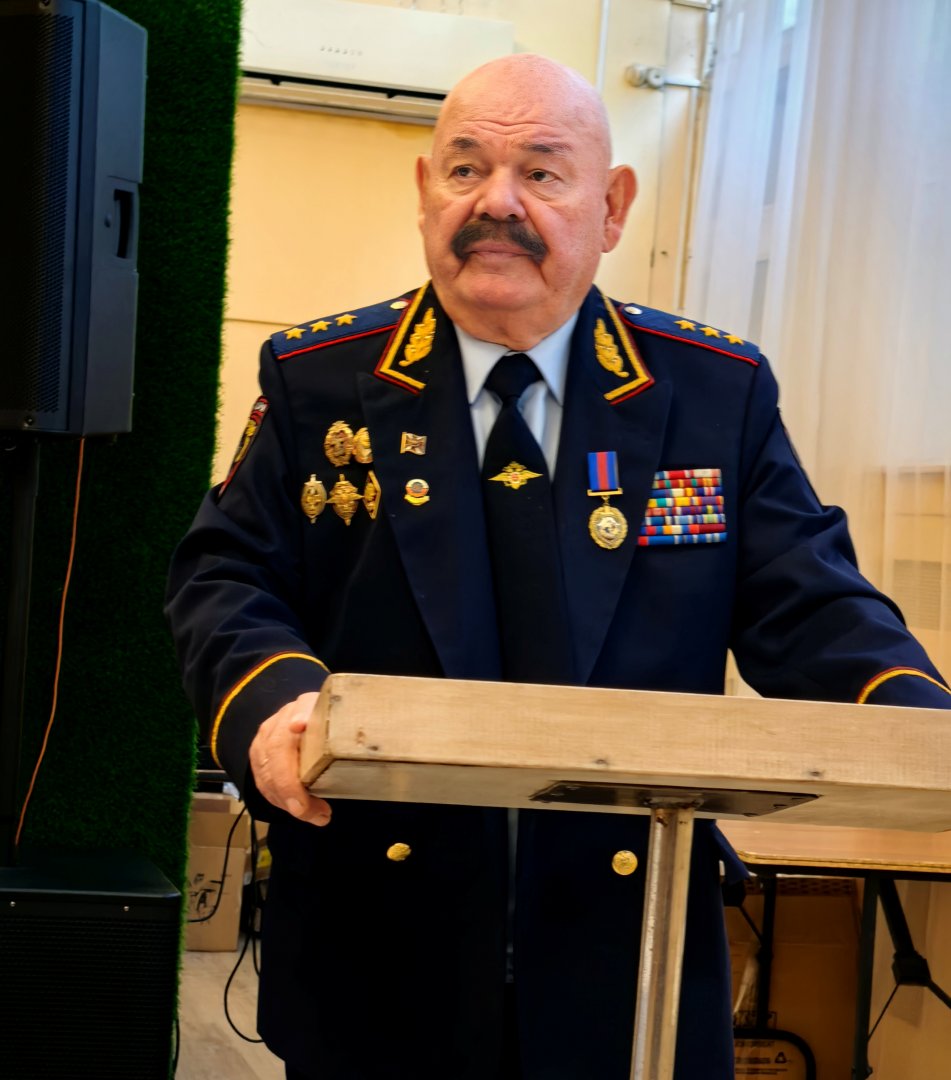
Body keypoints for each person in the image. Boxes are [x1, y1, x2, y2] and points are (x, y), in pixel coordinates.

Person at [166, 54, 951, 1080]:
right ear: (424, 191)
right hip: (379, 938)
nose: (497, 203)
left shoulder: (711, 395)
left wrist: (922, 728)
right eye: (466, 169)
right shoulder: (321, 380)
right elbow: (226, 576)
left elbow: (809, 605)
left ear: (612, 207)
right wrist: (273, 705)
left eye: (541, 172)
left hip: (628, 947)